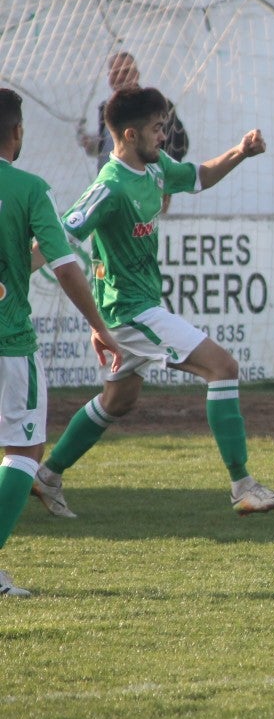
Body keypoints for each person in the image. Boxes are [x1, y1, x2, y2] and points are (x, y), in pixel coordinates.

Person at [30, 86, 274, 518]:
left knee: (118, 401)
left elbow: (198, 177)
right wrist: (12, 271)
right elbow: (60, 236)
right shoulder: (109, 187)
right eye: (157, 129)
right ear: (130, 135)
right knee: (223, 368)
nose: (164, 136)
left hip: (141, 304)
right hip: (129, 312)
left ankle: (48, 475)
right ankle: (243, 486)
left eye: (165, 126)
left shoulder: (154, 170)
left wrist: (240, 152)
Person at [0, 88, 122, 597]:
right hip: (9, 344)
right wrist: (100, 325)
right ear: (18, 131)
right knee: (25, 451)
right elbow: (66, 266)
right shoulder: (30, 189)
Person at [79, 51, 188, 213]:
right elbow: (113, 145)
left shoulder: (154, 105)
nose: (120, 77)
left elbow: (180, 143)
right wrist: (93, 145)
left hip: (144, 189)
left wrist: (166, 185)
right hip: (111, 188)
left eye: (125, 71)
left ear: (136, 74)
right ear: (109, 77)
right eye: (115, 73)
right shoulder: (107, 109)